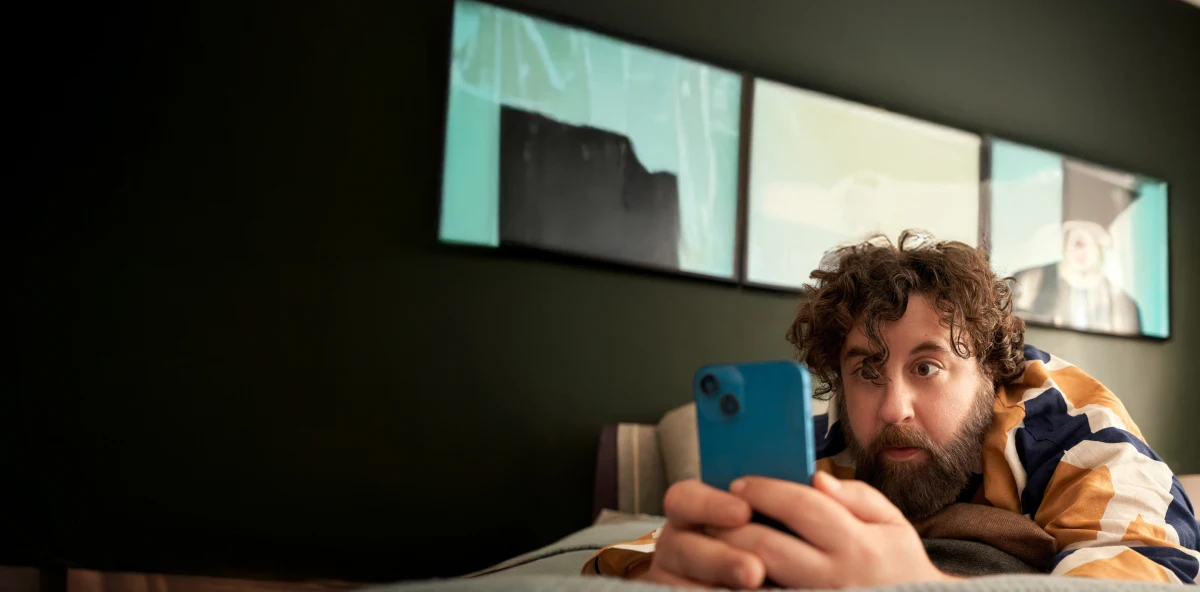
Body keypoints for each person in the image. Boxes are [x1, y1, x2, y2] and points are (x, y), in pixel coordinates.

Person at [582, 231, 1199, 587]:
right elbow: (635, 552)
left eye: (927, 367)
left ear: (987, 369)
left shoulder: (1071, 424)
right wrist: (663, 569)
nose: (893, 408)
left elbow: (1150, 566)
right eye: (866, 372)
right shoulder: (837, 441)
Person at [1012, 220, 1142, 335]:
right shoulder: (1028, 282)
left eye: (1089, 232)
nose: (1079, 245)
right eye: (1072, 232)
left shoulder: (1124, 305)